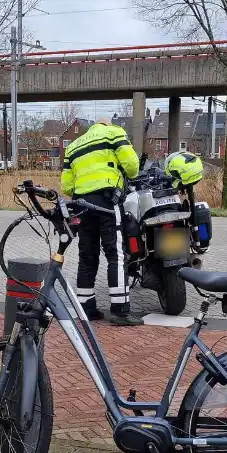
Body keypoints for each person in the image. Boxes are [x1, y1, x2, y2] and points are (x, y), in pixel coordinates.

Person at [61, 116, 142, 326]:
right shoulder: (114, 133)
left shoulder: (74, 146)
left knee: (87, 256)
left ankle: (86, 309)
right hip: (107, 200)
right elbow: (132, 166)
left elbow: (66, 185)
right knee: (115, 255)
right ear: (106, 125)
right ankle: (121, 311)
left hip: (81, 205)